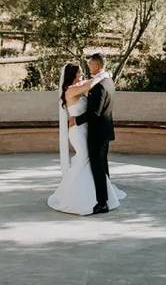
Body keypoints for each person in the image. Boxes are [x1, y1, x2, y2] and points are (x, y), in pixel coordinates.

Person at [47, 58, 125, 215]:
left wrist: (102, 74)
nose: (82, 76)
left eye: (83, 73)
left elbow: (89, 85)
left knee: (90, 161)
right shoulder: (70, 90)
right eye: (79, 74)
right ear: (72, 76)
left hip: (86, 129)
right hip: (78, 131)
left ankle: (97, 196)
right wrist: (103, 75)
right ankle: (79, 196)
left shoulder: (78, 87)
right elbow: (90, 85)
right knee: (85, 159)